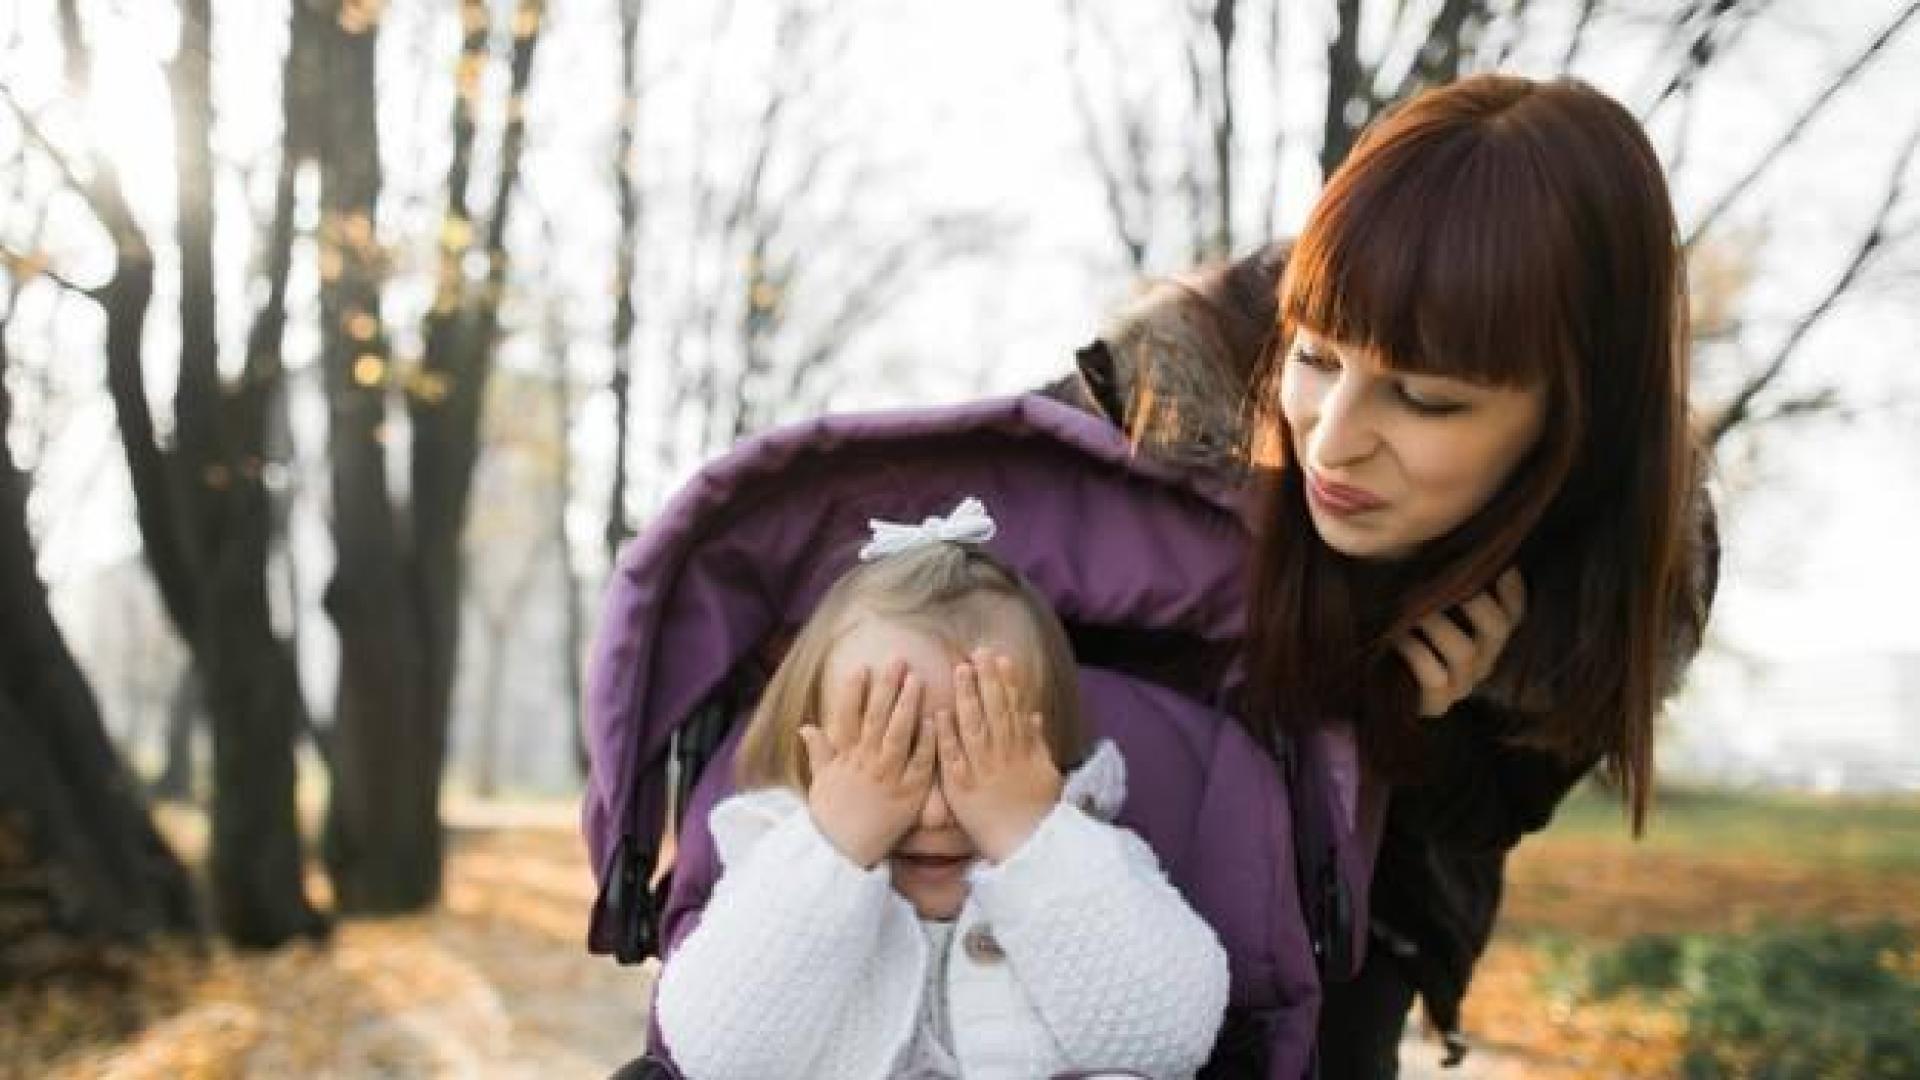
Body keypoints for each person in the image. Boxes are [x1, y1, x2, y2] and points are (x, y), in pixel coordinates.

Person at [1055, 73, 1717, 1074]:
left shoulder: (1619, 575)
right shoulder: (1178, 374)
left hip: (1357, 953)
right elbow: (941, 535)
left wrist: (1434, 731)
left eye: (1424, 401)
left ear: (1571, 426)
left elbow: (1494, 819)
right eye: (1316, 358)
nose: (1334, 441)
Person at [650, 498, 1231, 1080]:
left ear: (1046, 759)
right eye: (889, 759)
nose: (931, 812)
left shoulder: (1092, 858)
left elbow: (1172, 1040)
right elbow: (718, 1056)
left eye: (977, 763)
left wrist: (1032, 839)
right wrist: (833, 848)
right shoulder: (777, 859)